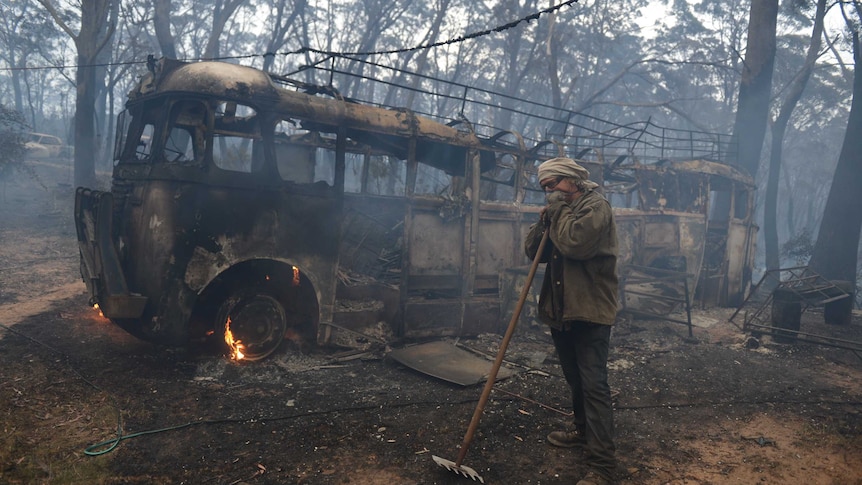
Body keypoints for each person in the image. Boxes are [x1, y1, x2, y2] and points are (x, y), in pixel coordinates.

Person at [524, 157, 619, 485]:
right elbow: (532, 250)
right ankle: (582, 432)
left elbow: (576, 244)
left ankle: (603, 466)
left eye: (552, 185)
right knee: (575, 379)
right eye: (545, 188)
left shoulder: (597, 208)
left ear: (571, 180)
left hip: (590, 310)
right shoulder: (559, 210)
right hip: (562, 309)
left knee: (594, 385)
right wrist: (542, 223)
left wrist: (556, 211)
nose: (548, 192)